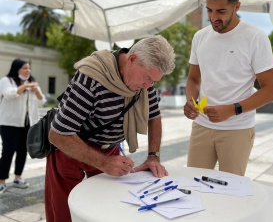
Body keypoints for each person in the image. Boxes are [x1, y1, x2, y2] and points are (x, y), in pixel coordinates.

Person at [45, 35, 175, 222]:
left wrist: (153, 156)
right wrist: (103, 163)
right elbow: (58, 135)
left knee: (107, 210)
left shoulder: (146, 84)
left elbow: (154, 117)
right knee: (64, 212)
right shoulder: (91, 77)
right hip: (71, 148)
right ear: (132, 59)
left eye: (153, 81)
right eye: (147, 78)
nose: (148, 86)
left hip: (109, 150)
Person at [183, 0, 273, 176]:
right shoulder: (200, 37)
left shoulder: (255, 38)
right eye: (209, 10)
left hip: (237, 128)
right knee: (193, 184)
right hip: (201, 125)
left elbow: (270, 90)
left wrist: (233, 109)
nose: (213, 17)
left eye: (221, 11)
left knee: (231, 193)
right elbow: (193, 79)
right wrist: (190, 100)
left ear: (236, 7)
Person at [0, 58, 46, 194]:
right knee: (8, 151)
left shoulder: (32, 84)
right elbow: (9, 95)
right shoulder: (6, 81)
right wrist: (25, 86)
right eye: (24, 68)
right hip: (9, 123)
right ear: (17, 69)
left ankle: (18, 178)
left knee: (22, 151)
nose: (28, 71)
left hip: (27, 124)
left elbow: (42, 102)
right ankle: (1, 181)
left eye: (29, 68)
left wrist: (36, 90)